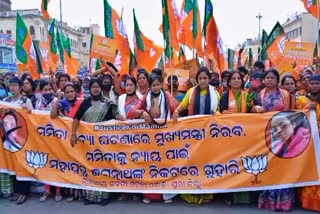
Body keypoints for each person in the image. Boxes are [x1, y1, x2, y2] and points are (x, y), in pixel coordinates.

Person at [127, 74, 179, 203]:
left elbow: (177, 108)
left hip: (166, 137)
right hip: (150, 139)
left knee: (166, 165)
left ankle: (166, 195)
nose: (156, 87)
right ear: (149, 86)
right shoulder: (145, 98)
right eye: (153, 85)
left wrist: (176, 112)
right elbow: (131, 112)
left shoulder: (167, 96)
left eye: (158, 85)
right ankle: (150, 195)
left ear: (162, 84)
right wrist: (143, 112)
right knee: (151, 166)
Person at [172, 67, 220, 204]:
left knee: (207, 163)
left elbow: (217, 111)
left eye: (205, 78)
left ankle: (207, 193)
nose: (203, 81)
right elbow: (183, 106)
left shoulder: (215, 93)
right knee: (192, 162)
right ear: (197, 79)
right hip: (192, 134)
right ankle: (192, 193)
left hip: (209, 134)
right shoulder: (191, 92)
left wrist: (217, 115)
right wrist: (176, 112)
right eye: (200, 78)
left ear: (209, 79)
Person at [70, 77, 117, 206]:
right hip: (89, 143)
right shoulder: (85, 103)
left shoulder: (108, 103)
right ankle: (90, 197)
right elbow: (76, 119)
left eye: (97, 87)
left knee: (104, 169)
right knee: (90, 169)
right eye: (93, 87)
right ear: (90, 89)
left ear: (101, 88)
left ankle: (104, 196)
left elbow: (116, 119)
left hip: (104, 142)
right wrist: (73, 134)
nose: (95, 89)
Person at [252, 69, 294, 212]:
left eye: (272, 78)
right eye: (267, 78)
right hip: (266, 136)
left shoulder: (286, 95)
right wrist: (254, 108)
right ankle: (268, 201)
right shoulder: (258, 96)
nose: (269, 80)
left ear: (277, 80)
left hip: (283, 136)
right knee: (268, 167)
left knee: (283, 167)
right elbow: (252, 114)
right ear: (263, 80)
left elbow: (294, 114)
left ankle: (283, 202)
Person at [50, 82, 84, 202]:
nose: (70, 94)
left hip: (80, 136)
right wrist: (58, 99)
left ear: (76, 92)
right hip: (66, 138)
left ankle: (80, 192)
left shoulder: (82, 102)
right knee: (69, 164)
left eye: (72, 91)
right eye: (67, 92)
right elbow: (53, 115)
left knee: (79, 164)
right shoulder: (63, 103)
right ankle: (70, 192)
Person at [296, 73, 320, 212]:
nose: (315, 86)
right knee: (309, 168)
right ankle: (308, 201)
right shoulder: (301, 100)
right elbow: (295, 116)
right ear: (308, 84)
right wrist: (307, 108)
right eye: (312, 83)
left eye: (317, 83)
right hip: (307, 138)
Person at [35, 80, 62, 202]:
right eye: (45, 90)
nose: (48, 92)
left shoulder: (57, 102)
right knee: (46, 164)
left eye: (50, 89)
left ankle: (58, 190)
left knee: (57, 163)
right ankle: (47, 189)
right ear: (41, 91)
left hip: (57, 138)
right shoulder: (38, 103)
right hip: (43, 138)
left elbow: (60, 118)